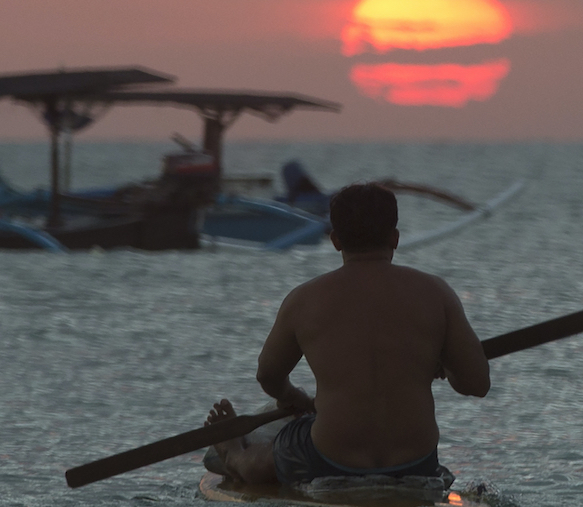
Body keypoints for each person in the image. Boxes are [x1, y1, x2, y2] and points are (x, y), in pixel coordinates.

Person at [206, 182, 490, 485]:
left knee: (268, 456)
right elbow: (476, 383)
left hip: (331, 457)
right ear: (395, 238)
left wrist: (294, 398)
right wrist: (447, 366)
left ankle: (235, 455)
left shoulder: (304, 300)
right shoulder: (437, 294)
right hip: (416, 460)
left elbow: (268, 376)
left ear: (335, 240)